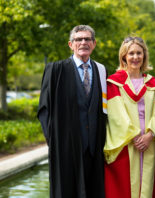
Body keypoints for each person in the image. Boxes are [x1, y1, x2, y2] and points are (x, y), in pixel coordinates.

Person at [37, 25, 107, 198]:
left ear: (94, 43)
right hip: (65, 149)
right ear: (70, 44)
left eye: (87, 39)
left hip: (94, 148)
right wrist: (54, 141)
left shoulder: (101, 71)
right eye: (78, 39)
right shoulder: (55, 70)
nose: (83, 42)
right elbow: (44, 110)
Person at [104, 36, 155, 198]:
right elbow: (115, 115)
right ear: (124, 56)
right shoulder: (114, 82)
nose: (135, 57)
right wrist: (136, 135)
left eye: (139, 53)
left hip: (148, 144)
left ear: (144, 55)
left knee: (149, 186)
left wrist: (150, 135)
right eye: (131, 53)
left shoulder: (152, 83)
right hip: (126, 144)